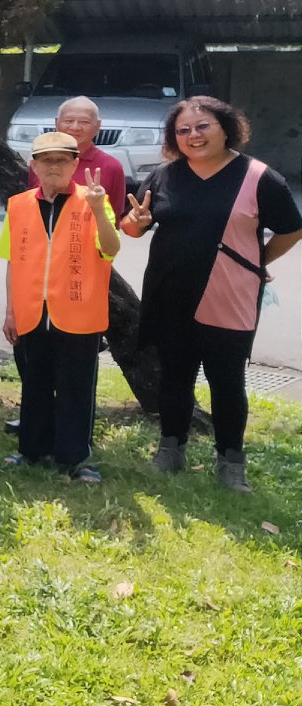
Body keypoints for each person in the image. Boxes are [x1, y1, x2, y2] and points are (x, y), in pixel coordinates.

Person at [123, 97, 302, 492]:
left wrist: (254, 262)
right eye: (183, 130)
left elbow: (291, 229)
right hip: (169, 294)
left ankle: (230, 462)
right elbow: (133, 226)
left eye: (202, 126)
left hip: (229, 293)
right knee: (174, 377)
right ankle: (171, 449)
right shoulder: (164, 176)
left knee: (227, 380)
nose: (193, 136)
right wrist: (133, 222)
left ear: (226, 127)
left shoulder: (259, 177)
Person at [0, 132, 121, 483]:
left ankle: (75, 458)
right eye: (46, 160)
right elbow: (12, 261)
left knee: (76, 387)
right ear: (33, 165)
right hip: (30, 311)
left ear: (75, 164)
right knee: (34, 382)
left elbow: (111, 249)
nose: (54, 166)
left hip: (79, 312)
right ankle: (31, 450)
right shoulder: (18, 204)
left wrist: (99, 211)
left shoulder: (94, 200)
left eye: (62, 160)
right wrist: (10, 310)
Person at [28, 96, 127, 218]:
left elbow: (115, 218)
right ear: (57, 123)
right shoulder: (41, 161)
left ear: (98, 126)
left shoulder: (111, 166)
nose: (75, 127)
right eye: (69, 121)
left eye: (84, 122)